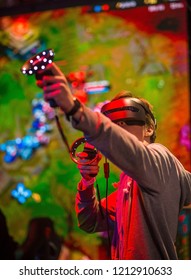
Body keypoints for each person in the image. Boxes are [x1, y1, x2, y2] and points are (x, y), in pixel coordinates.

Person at [37, 63, 191, 260]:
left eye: (125, 123)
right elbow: (89, 221)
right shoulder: (129, 184)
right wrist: (87, 182)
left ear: (149, 129)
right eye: (115, 126)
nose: (120, 131)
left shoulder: (160, 158)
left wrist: (74, 108)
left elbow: (123, 145)